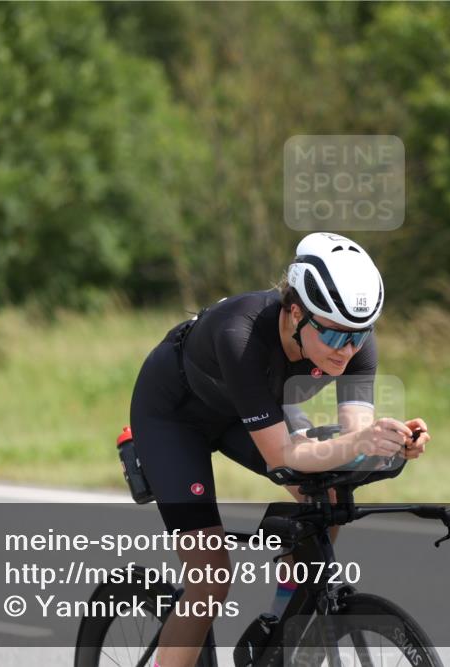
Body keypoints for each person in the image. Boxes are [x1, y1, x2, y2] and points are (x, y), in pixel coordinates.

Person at [129, 232, 431, 667]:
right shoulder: (242, 334)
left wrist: (391, 444)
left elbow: (353, 437)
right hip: (175, 416)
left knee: (326, 492)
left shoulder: (353, 338)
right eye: (333, 335)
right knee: (211, 578)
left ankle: (280, 635)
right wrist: (358, 443)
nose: (347, 350)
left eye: (359, 336)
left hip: (251, 409)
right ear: (295, 314)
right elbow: (281, 457)